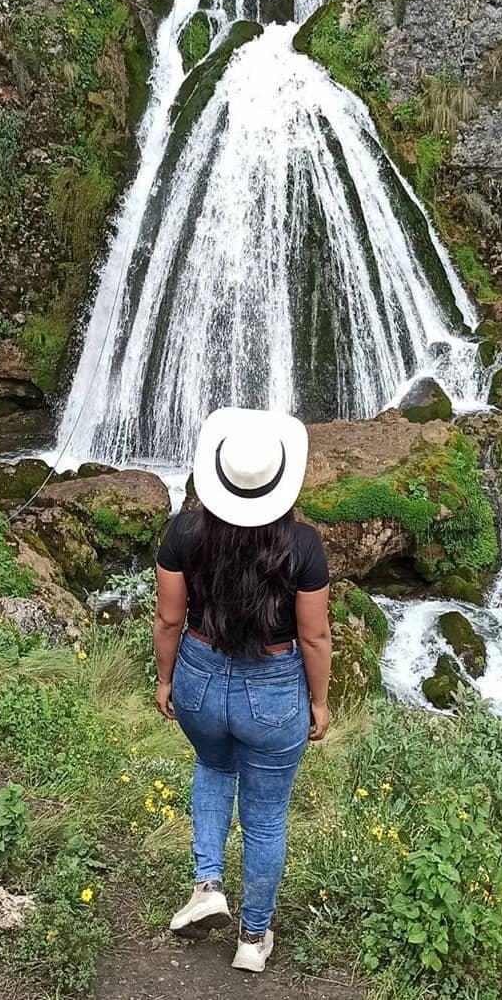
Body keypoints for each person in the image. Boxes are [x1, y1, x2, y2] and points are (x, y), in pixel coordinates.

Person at [152, 406, 331, 974]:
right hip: (274, 689)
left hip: (199, 675)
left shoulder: (185, 532)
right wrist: (319, 701)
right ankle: (253, 940)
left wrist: (165, 679)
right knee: (266, 818)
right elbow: (315, 636)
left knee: (212, 765)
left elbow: (169, 618)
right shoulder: (303, 545)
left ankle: (207, 885)